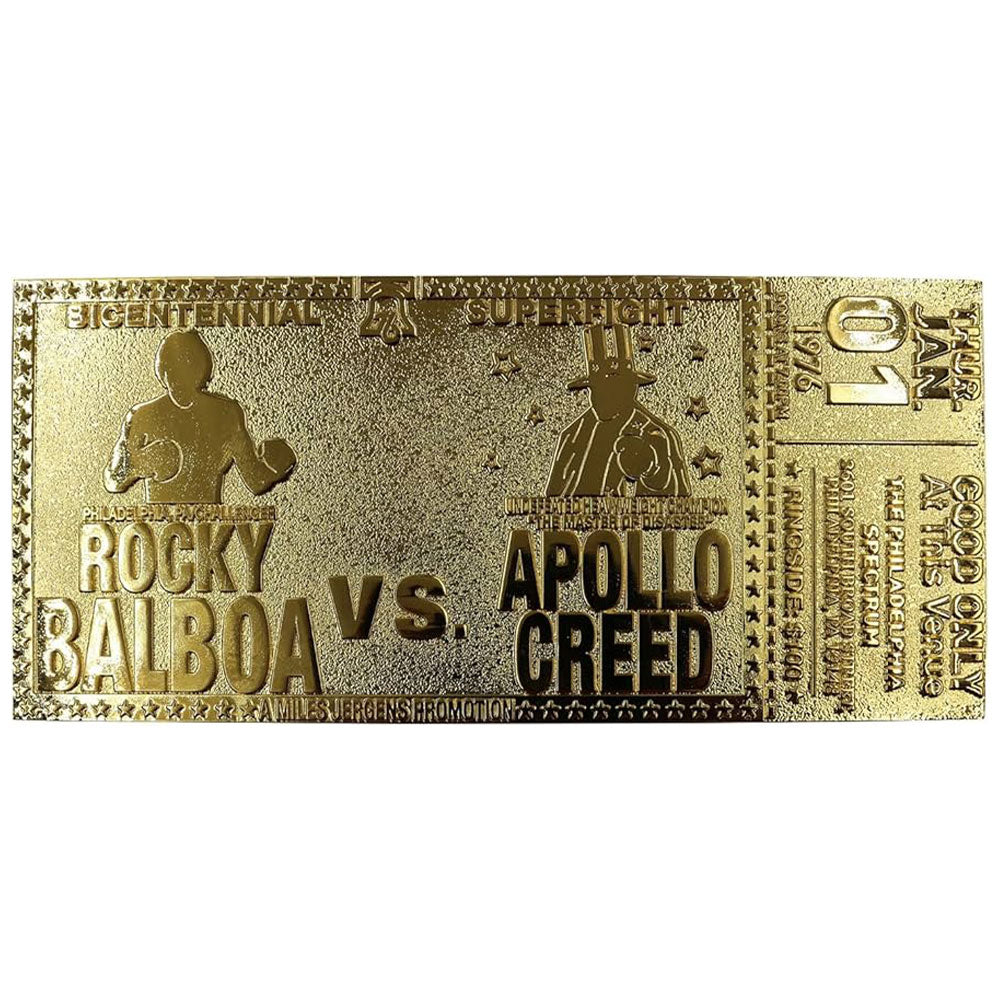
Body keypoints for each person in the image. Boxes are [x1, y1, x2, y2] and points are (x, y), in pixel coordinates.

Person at [104, 328, 296, 503]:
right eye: (173, 369)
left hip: (211, 522)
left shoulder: (225, 414)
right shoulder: (143, 416)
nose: (180, 378)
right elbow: (113, 480)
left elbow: (255, 479)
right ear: (162, 371)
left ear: (201, 370)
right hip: (158, 523)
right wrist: (138, 463)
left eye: (188, 369)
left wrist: (276, 463)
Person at [547, 323, 690, 497]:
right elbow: (550, 501)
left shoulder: (658, 434)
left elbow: (676, 502)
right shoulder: (571, 435)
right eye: (595, 389)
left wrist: (651, 467)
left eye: (608, 389)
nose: (597, 398)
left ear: (631, 389)